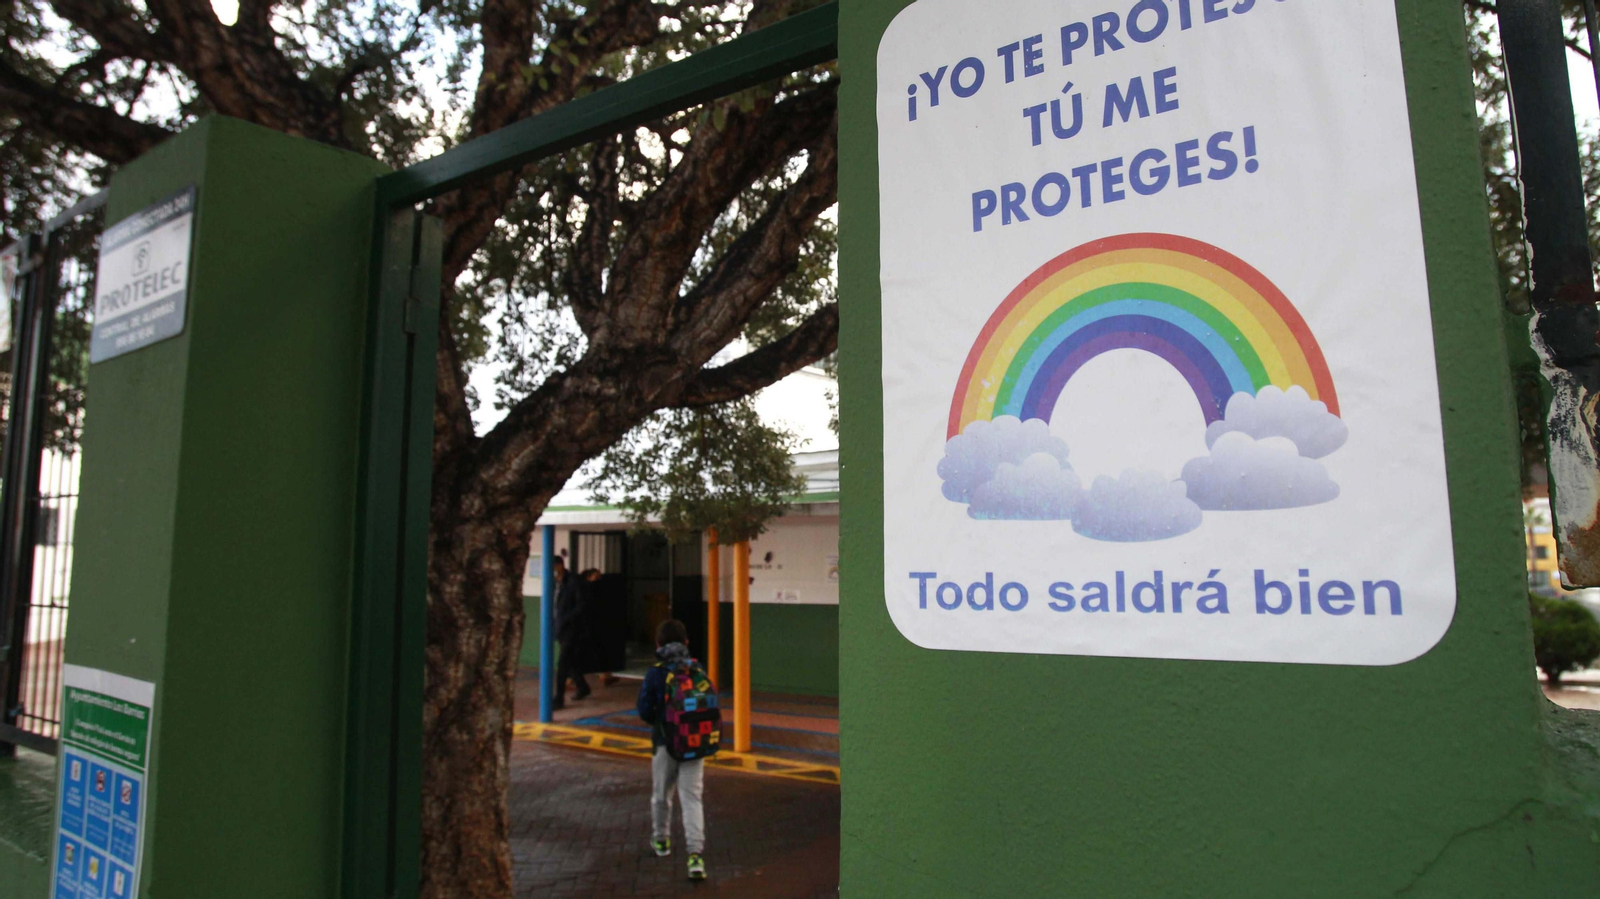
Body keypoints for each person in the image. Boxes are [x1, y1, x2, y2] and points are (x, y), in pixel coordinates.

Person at [637, 619, 709, 881]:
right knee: (691, 798)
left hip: (665, 742)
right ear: (686, 642)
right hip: (695, 743)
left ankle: (661, 841)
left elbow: (644, 710)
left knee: (661, 794)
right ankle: (695, 856)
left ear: (658, 644)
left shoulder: (655, 673)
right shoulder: (697, 669)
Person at [551, 557, 589, 710]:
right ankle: (583, 687)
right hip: (559, 627)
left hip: (572, 628)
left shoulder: (573, 581)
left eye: (554, 566)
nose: (552, 570)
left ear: (560, 566)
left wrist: (567, 618)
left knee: (562, 663)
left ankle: (559, 698)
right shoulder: (553, 582)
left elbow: (581, 604)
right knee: (570, 662)